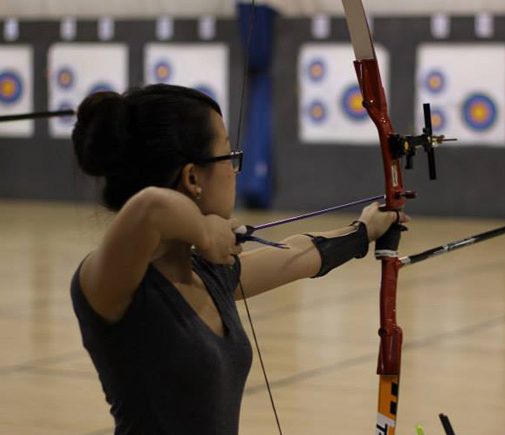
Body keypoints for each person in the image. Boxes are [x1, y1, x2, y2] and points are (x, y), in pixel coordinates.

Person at [70, 84, 406, 435]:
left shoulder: (210, 276)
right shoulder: (109, 284)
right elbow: (150, 208)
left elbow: (295, 255)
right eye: (228, 155)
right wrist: (204, 232)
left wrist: (363, 230)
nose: (234, 170)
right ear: (192, 177)